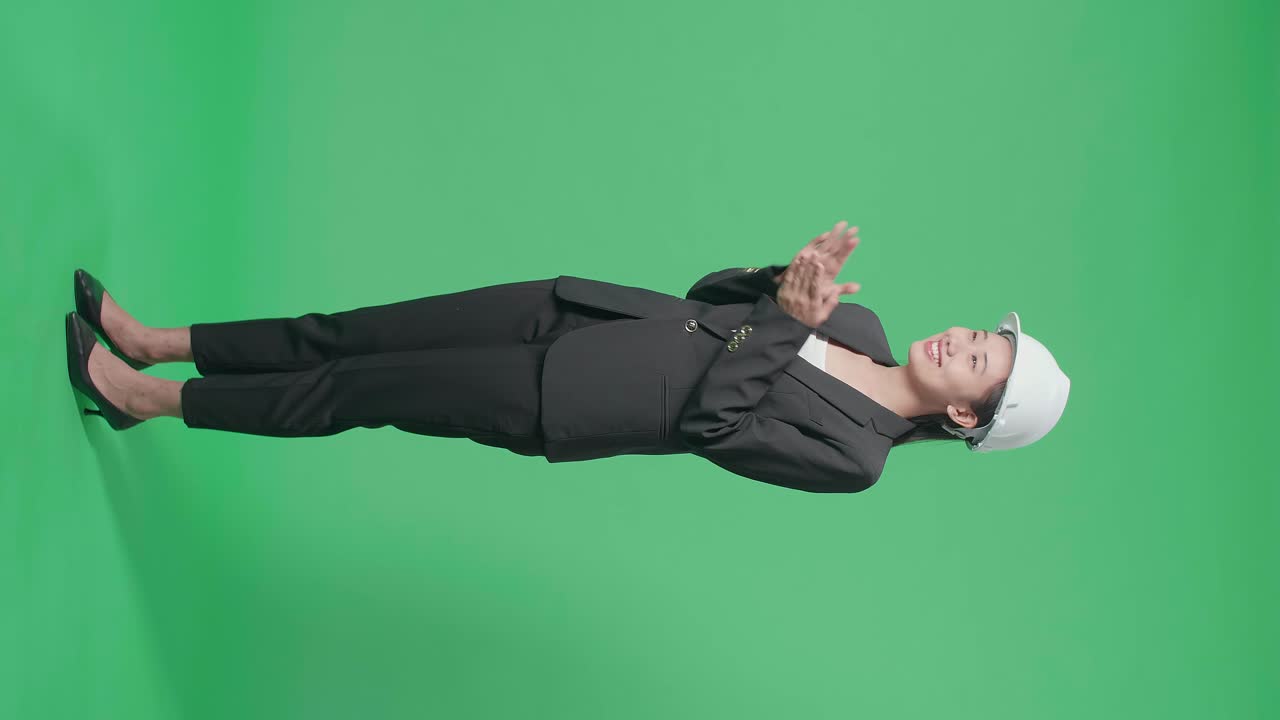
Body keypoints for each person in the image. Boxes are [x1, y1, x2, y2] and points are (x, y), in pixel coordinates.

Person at [66, 221, 1070, 493]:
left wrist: (775, 324)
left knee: (353, 390)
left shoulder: (856, 460)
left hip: (567, 396)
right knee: (353, 331)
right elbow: (704, 300)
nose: (963, 343)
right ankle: (161, 340)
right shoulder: (859, 326)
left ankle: (144, 397)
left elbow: (713, 424)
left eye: (979, 364)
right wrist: (783, 280)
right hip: (582, 314)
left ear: (964, 419)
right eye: (981, 335)